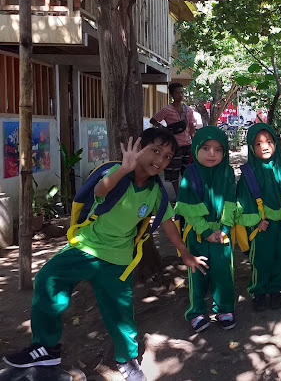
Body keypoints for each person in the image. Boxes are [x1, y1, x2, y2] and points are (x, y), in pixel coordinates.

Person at [2, 128, 207, 381]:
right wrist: (124, 168)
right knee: (48, 279)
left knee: (120, 313)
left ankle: (127, 358)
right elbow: (100, 190)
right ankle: (47, 347)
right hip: (85, 247)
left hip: (118, 260)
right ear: (139, 149)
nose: (160, 159)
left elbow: (168, 224)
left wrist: (184, 252)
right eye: (155, 150)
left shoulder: (155, 192)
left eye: (166, 156)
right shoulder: (118, 174)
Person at [174, 126, 237, 332]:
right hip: (198, 234)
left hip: (222, 234)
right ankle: (197, 311)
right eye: (206, 148)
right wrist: (206, 231)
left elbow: (230, 200)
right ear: (195, 149)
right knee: (197, 271)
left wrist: (225, 228)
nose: (212, 153)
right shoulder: (190, 173)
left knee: (223, 272)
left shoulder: (227, 171)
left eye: (219, 150)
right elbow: (189, 207)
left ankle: (224, 309)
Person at [236, 123, 281, 311]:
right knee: (261, 260)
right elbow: (244, 201)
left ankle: (276, 289)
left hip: (280, 224)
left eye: (269, 141)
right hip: (260, 227)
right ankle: (258, 291)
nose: (264, 146)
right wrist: (256, 221)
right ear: (251, 147)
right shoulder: (248, 172)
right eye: (258, 143)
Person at [150, 82, 196, 194]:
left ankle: (187, 194)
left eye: (182, 92)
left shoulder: (188, 110)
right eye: (177, 92)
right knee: (173, 171)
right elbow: (153, 120)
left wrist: (194, 141)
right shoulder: (167, 109)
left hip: (187, 145)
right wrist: (164, 129)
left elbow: (191, 126)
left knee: (188, 170)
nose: (180, 95)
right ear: (171, 94)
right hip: (173, 146)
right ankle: (178, 194)